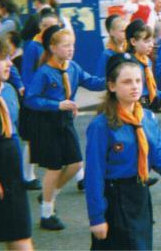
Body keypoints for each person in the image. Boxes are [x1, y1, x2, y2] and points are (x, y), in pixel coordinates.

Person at [85, 53, 161, 250]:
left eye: (138, 80)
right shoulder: (101, 125)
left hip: (139, 194)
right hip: (115, 199)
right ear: (111, 85)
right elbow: (94, 175)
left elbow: (160, 155)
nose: (134, 86)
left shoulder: (147, 118)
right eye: (126, 82)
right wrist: (97, 217)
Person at [24, 26, 105, 230]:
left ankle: (48, 194)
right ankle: (46, 214)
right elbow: (30, 99)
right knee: (54, 168)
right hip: (47, 123)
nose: (71, 49)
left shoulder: (73, 67)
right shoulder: (44, 72)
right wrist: (56, 105)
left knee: (76, 164)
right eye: (66, 46)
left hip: (65, 122)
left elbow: (92, 82)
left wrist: (113, 80)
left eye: (72, 45)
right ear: (53, 48)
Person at [0, 37, 34, 251]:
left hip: (11, 174)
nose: (10, 63)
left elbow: (14, 131)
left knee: (20, 233)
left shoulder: (7, 91)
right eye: (2, 58)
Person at [20, 12, 60, 191]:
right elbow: (27, 74)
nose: (49, 30)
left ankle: (79, 174)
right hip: (36, 99)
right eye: (46, 27)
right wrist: (31, 97)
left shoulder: (54, 46)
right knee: (32, 139)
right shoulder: (33, 47)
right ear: (40, 28)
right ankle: (27, 175)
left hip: (50, 98)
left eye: (53, 27)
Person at [125, 19, 161, 111]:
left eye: (152, 41)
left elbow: (148, 86)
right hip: (133, 104)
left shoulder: (147, 60)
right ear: (133, 42)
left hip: (146, 102)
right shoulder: (128, 63)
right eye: (146, 41)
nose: (151, 45)